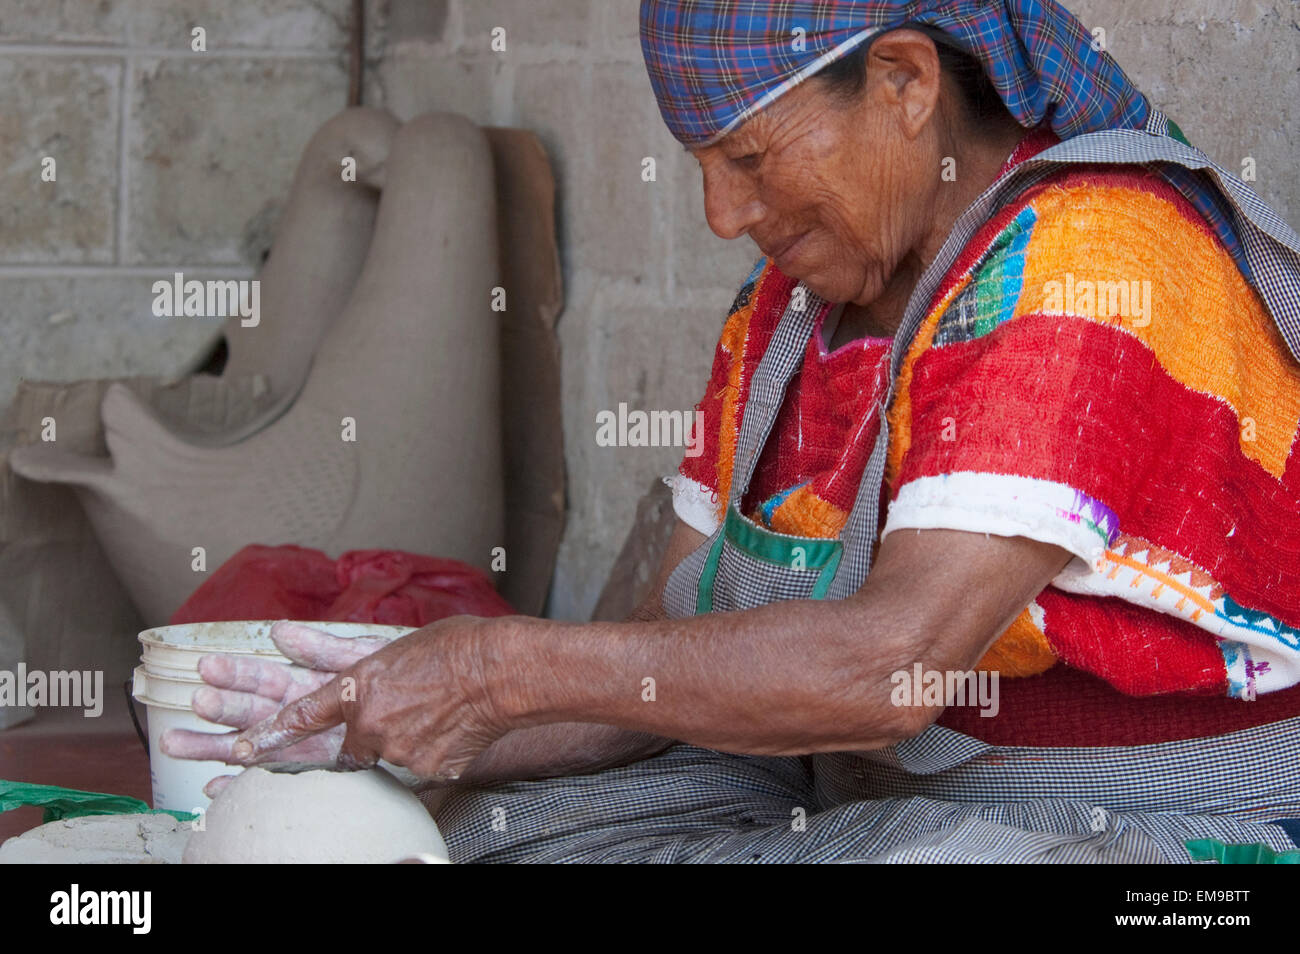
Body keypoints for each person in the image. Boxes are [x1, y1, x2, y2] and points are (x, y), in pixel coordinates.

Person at [165, 0, 1300, 863]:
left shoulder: (1094, 262)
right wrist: (392, 719)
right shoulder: (792, 311)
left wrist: (502, 667)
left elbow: (889, 669)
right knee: (487, 833)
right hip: (875, 797)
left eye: (749, 160)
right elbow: (658, 673)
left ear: (903, 82)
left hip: (1163, 834)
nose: (722, 214)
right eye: (705, 168)